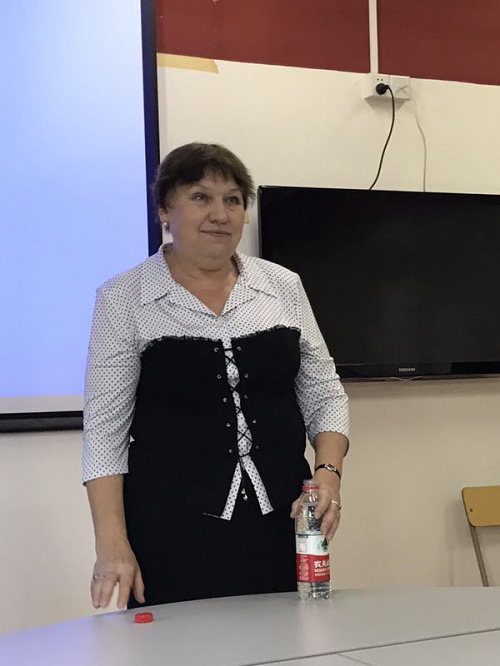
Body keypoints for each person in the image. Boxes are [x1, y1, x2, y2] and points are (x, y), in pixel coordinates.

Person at [83, 142, 349, 610]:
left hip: (282, 525)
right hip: (170, 531)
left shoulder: (283, 286)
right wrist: (111, 542)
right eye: (200, 197)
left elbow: (325, 393)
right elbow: (105, 432)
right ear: (164, 209)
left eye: (233, 200)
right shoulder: (123, 298)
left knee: (289, 639)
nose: (220, 215)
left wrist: (328, 475)